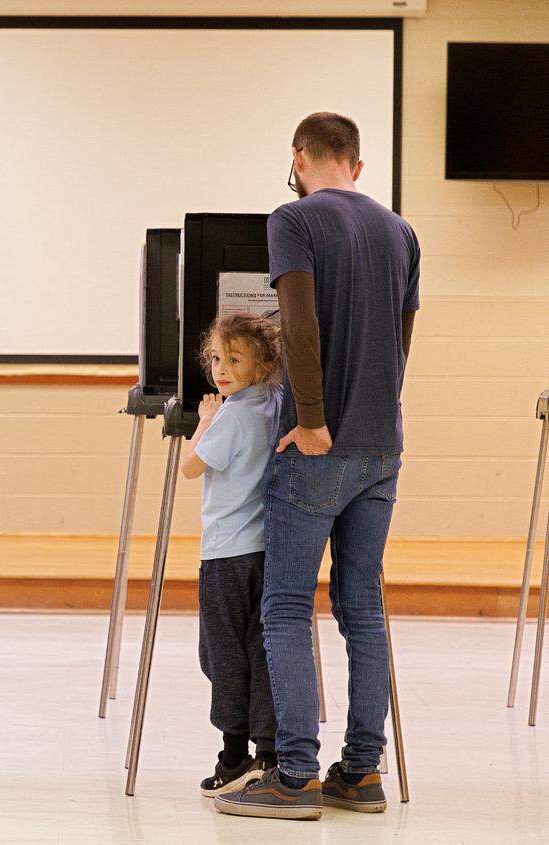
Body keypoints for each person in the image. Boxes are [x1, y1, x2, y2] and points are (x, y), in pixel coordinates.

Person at [216, 113, 420, 821]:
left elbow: (298, 326)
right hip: (382, 447)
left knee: (285, 606)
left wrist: (309, 419)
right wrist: (373, 420)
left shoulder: (294, 219)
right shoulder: (402, 231)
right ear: (357, 166)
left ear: (299, 158)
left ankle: (296, 773)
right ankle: (362, 771)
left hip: (319, 444)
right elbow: (401, 341)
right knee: (361, 606)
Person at [180, 312, 282, 797]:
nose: (221, 369)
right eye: (217, 358)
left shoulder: (233, 414)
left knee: (221, 654)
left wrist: (204, 420)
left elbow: (190, 467)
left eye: (234, 359)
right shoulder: (274, 402)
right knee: (259, 651)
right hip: (266, 550)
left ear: (261, 365)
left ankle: (232, 755)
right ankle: (268, 752)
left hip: (225, 555)